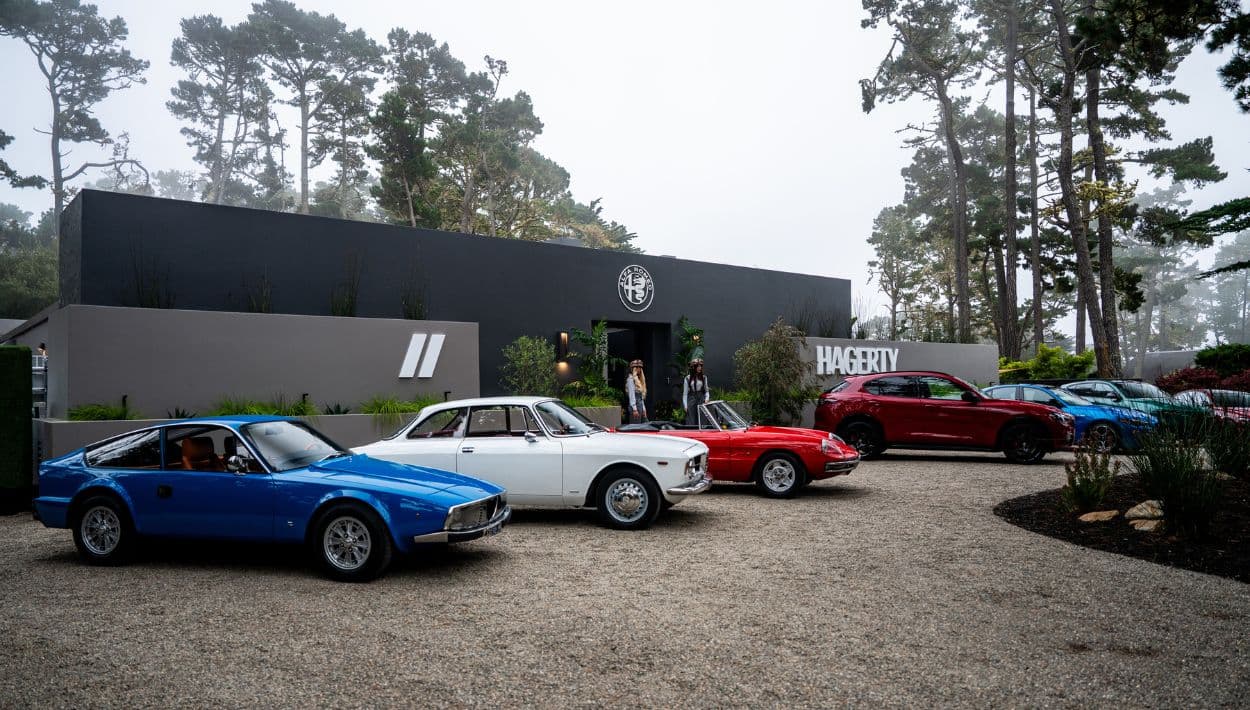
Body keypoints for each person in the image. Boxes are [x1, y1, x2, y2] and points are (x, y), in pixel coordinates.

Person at [683, 358, 710, 426]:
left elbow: (706, 390)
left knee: (702, 418)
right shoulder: (687, 378)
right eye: (698, 366)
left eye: (701, 366)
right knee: (691, 418)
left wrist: (707, 398)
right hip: (692, 398)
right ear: (693, 367)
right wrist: (685, 405)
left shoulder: (704, 377)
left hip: (701, 398)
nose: (700, 368)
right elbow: (685, 394)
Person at [625, 359, 648, 423]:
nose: (639, 369)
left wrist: (644, 409)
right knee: (636, 427)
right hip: (634, 407)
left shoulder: (639, 380)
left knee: (645, 425)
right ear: (633, 368)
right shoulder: (630, 379)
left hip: (640, 406)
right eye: (637, 367)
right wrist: (634, 409)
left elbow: (641, 397)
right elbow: (631, 396)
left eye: (640, 367)